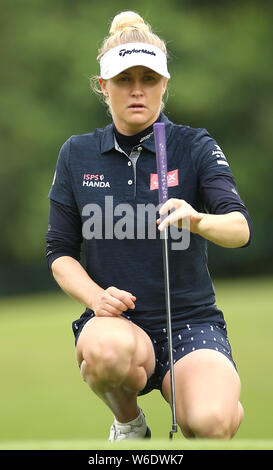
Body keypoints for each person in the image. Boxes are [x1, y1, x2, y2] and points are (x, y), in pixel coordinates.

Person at [46, 11, 252, 441]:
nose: (137, 90)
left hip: (191, 323)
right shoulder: (76, 154)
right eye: (123, 79)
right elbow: (60, 253)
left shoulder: (194, 145)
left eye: (149, 78)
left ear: (164, 83)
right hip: (117, 323)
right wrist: (96, 298)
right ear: (104, 86)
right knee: (105, 352)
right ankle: (129, 424)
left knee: (211, 424)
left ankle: (207, 399)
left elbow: (239, 228)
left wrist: (198, 220)